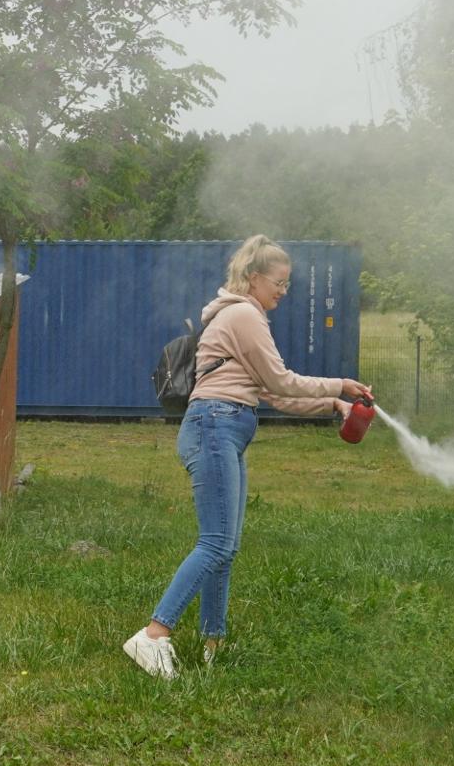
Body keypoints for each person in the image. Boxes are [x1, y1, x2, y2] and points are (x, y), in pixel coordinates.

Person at [123, 235, 373, 679]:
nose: (284, 290)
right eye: (279, 282)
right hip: (214, 426)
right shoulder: (243, 315)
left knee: (226, 546)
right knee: (215, 542)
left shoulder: (240, 317)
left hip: (222, 427)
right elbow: (281, 379)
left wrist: (331, 405)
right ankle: (153, 635)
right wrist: (340, 384)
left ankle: (213, 643)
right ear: (254, 278)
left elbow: (271, 393)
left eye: (287, 283)